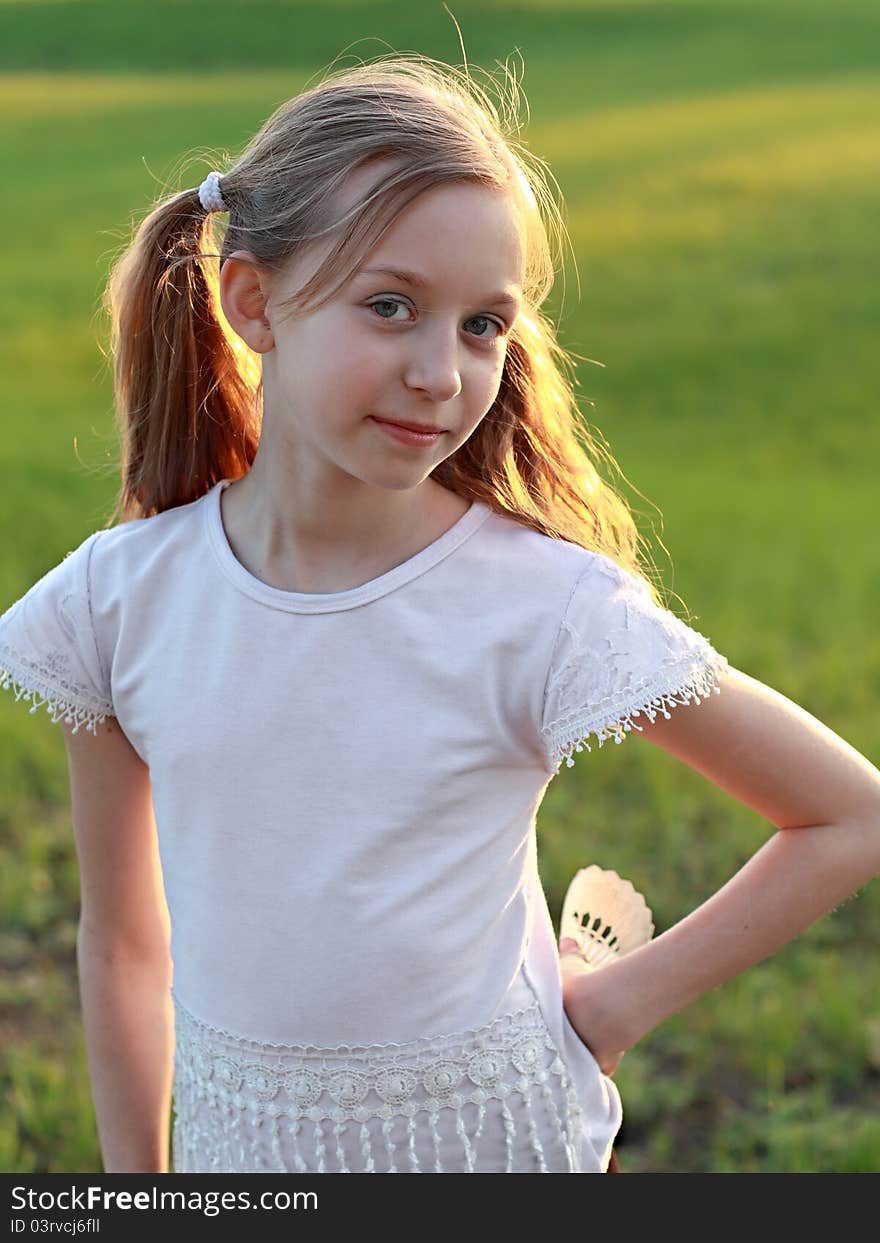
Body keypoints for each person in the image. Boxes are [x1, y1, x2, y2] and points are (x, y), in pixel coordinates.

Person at [2, 54, 879, 1177]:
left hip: (496, 1145)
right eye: (390, 306)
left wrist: (608, 1009)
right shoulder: (120, 602)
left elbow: (845, 816)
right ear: (252, 302)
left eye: (482, 326)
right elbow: (123, 941)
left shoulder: (540, 607)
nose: (439, 372)